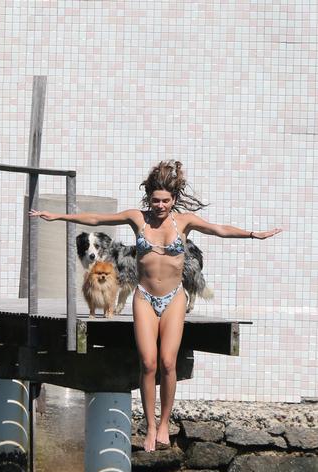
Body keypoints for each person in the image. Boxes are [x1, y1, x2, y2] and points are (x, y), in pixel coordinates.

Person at [30, 160, 282, 452]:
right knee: (148, 363)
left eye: (166, 200)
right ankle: (149, 427)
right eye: (155, 200)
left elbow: (219, 229)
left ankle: (164, 424)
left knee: (167, 363)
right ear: (148, 198)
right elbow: (99, 219)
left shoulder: (184, 222)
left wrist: (254, 234)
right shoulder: (138, 219)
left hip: (173, 298)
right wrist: (58, 216)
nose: (160, 205)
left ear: (174, 200)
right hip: (145, 298)